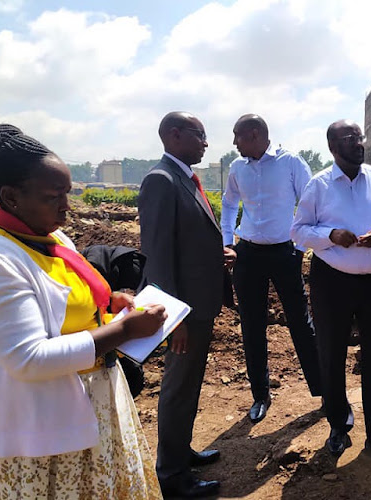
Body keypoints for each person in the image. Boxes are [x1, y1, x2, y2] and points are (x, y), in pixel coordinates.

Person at [0, 124, 167, 499]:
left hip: (92, 409)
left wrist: (109, 305)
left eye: (67, 193)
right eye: (54, 196)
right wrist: (123, 331)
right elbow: (28, 358)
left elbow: (66, 304)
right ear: (11, 197)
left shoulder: (49, 237)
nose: (66, 207)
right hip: (41, 436)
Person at [290, 119, 371, 457]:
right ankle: (337, 426)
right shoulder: (319, 185)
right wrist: (330, 235)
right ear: (333, 147)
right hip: (332, 281)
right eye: (350, 138)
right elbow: (298, 231)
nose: (359, 143)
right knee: (331, 354)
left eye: (360, 137)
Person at [138, 111, 235, 498]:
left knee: (188, 384)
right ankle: (173, 478)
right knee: (178, 387)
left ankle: (181, 452)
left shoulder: (184, 178)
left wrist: (217, 254)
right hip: (184, 311)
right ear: (175, 136)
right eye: (200, 135)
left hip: (198, 303)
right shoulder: (161, 181)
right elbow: (158, 257)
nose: (206, 143)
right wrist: (172, 319)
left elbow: (187, 240)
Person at [221, 114, 321, 423]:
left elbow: (311, 204)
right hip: (247, 254)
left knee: (300, 323)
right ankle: (260, 395)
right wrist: (228, 243)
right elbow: (228, 204)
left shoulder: (291, 163)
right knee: (252, 325)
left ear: (254, 135)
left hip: (284, 252)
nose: (234, 143)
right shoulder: (237, 168)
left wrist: (301, 249)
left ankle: (323, 391)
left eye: (237, 136)